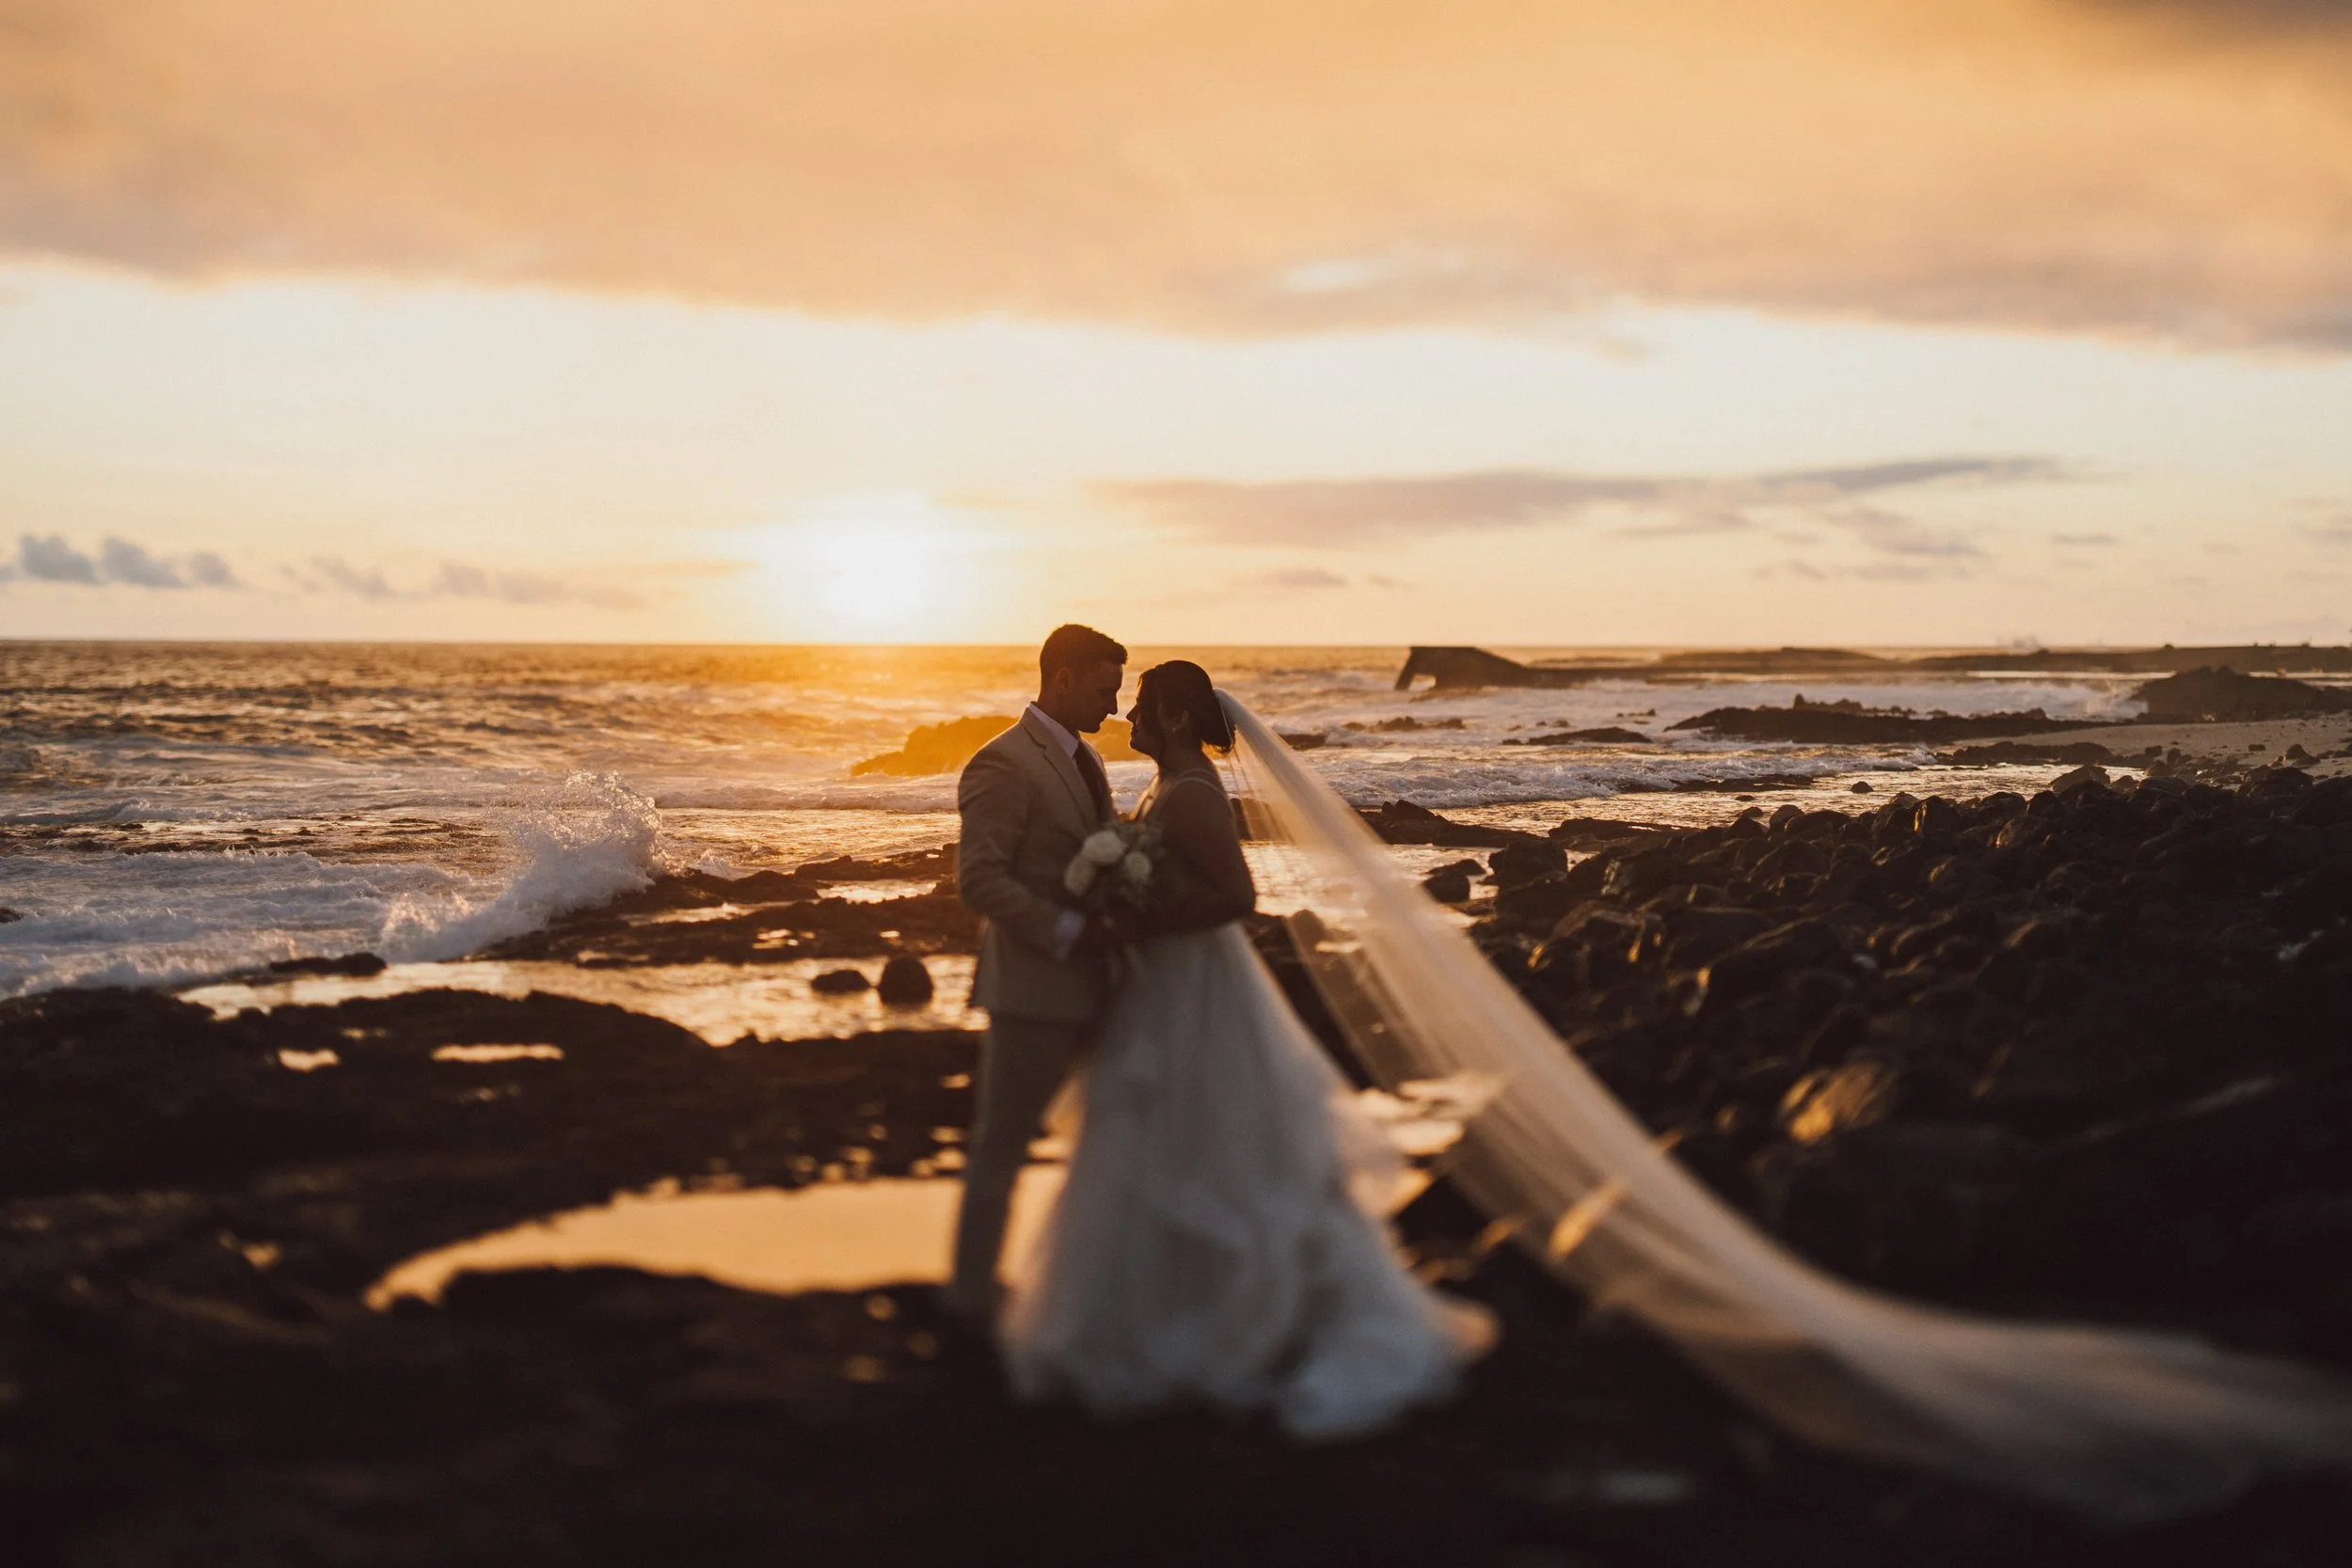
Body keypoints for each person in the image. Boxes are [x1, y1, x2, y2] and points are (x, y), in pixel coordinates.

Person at [997, 659, 1491, 1438]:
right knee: (1162, 1134)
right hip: (1167, 980)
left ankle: (1208, 1321)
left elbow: (1235, 897)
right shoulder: (1176, 786)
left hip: (1195, 981)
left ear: (1178, 723)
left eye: (1143, 711)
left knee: (1197, 1133)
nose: (1127, 721)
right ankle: (1162, 1305)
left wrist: (1141, 910)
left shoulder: (1192, 794)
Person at [944, 624, 1128, 1322]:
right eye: (1105, 690)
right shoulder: (1002, 764)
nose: (1113, 707)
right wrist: (1070, 929)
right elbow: (979, 881)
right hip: (1031, 990)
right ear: (1067, 677)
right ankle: (967, 1299)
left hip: (1099, 988)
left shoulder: (1088, 761)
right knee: (1001, 1149)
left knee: (1102, 1150)